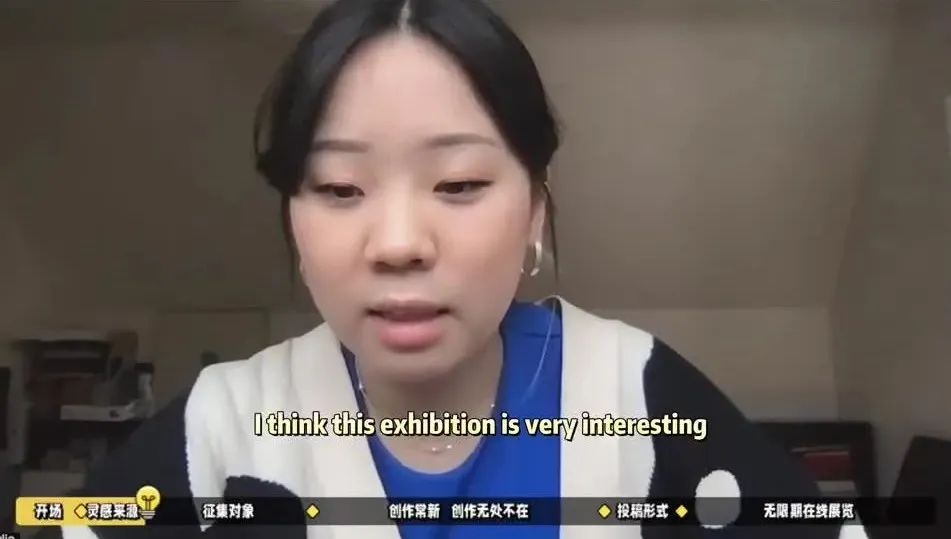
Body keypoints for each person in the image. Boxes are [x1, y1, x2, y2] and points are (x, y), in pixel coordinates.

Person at [56, 1, 868, 538]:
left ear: (534, 210)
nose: (397, 242)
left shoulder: (630, 390)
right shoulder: (227, 422)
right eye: (339, 189)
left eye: (458, 184)